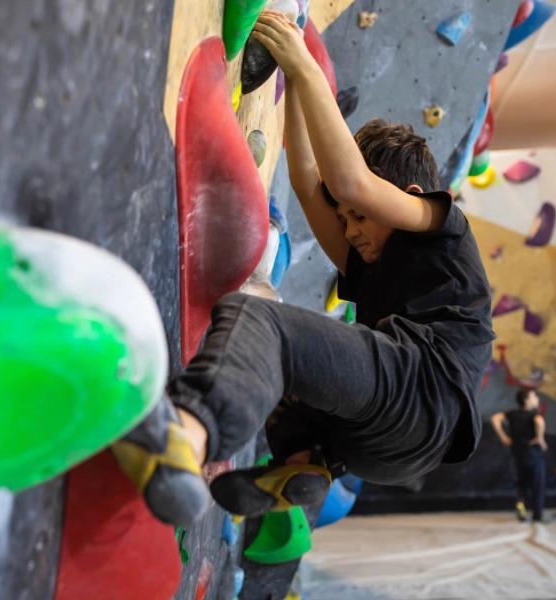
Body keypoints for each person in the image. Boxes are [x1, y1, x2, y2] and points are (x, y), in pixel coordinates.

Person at [110, 10, 495, 527]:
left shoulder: (440, 224)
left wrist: (307, 68)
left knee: (259, 323)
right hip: (390, 449)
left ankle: (184, 433)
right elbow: (309, 174)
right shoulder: (373, 259)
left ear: (407, 198)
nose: (351, 230)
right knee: (283, 371)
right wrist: (292, 78)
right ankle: (301, 463)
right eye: (345, 221)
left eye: (360, 219)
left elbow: (352, 183)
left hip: (421, 390)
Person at [491, 390, 548, 522]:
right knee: (537, 484)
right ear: (527, 400)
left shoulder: (512, 414)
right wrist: (540, 438)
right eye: (534, 396)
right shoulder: (533, 415)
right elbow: (540, 422)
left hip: (518, 454)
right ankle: (537, 515)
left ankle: (520, 503)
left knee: (522, 483)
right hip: (533, 454)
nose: (537, 399)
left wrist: (503, 436)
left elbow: (495, 418)